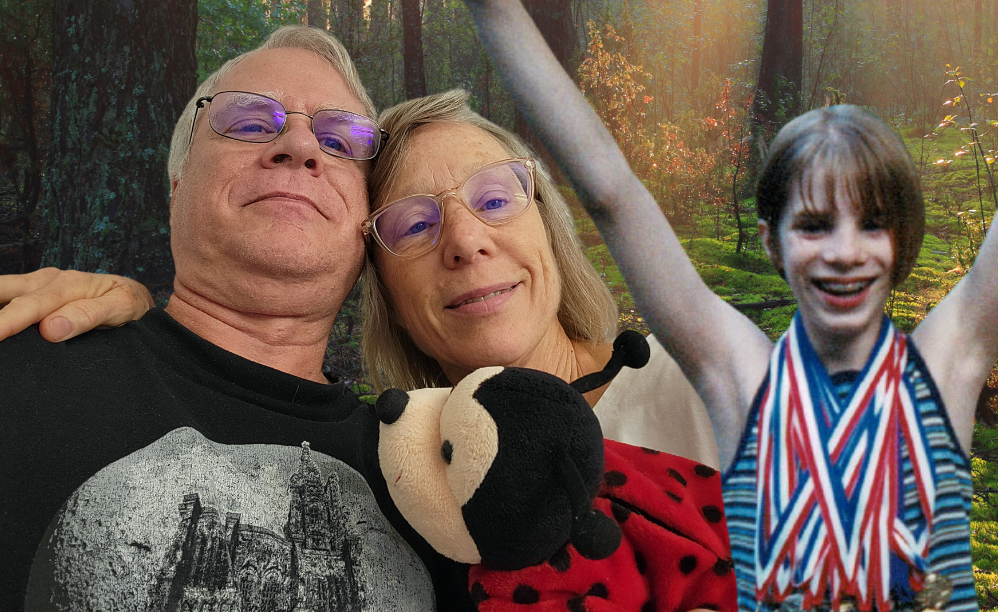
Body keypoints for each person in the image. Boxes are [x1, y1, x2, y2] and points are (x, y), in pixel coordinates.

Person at [456, 0, 994, 610]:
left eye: (871, 224)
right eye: (814, 226)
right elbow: (611, 193)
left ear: (900, 238)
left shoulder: (945, 367)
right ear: (772, 240)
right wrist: (495, 9)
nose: (845, 253)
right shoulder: (745, 380)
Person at [0, 25, 470, 612]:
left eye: (339, 141)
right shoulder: (21, 358)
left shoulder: (434, 479)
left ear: (366, 224)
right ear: (177, 187)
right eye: (250, 123)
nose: (300, 147)